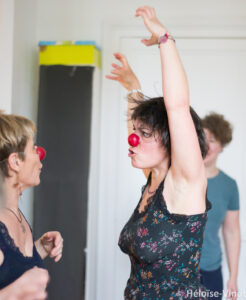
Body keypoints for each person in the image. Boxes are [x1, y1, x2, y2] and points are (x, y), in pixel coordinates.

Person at [107, 6, 211, 299]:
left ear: (171, 140)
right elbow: (138, 125)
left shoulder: (185, 186)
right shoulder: (153, 179)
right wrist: (132, 87)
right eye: (134, 131)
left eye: (144, 134)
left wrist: (165, 39)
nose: (132, 139)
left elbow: (176, 107)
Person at [0, 111, 63, 291]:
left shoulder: (15, 213)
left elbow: (9, 270)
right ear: (15, 162)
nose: (40, 157)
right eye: (34, 149)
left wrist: (39, 250)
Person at [199, 113, 240, 300]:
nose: (206, 145)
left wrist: (233, 277)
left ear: (222, 146)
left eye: (213, 140)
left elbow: (231, 233)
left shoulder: (229, 186)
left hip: (210, 272)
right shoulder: (179, 176)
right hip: (176, 269)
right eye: (202, 138)